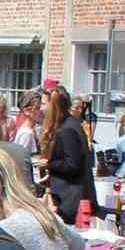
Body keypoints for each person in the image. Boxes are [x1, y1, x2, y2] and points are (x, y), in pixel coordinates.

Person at [42, 88, 96, 223]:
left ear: (52, 106)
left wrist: (48, 164)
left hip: (69, 200)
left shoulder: (67, 130)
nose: (41, 108)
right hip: (71, 195)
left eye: (43, 104)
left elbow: (72, 165)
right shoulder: (70, 124)